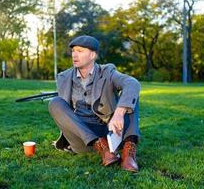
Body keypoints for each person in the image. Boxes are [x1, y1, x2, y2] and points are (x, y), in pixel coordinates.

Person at [48, 35, 141, 173]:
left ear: (92, 55)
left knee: (131, 95)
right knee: (55, 103)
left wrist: (119, 112)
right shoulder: (64, 77)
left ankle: (128, 152)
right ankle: (100, 147)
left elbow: (133, 83)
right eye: (73, 51)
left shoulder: (108, 72)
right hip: (83, 139)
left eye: (80, 51)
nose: (74, 54)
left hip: (110, 132)